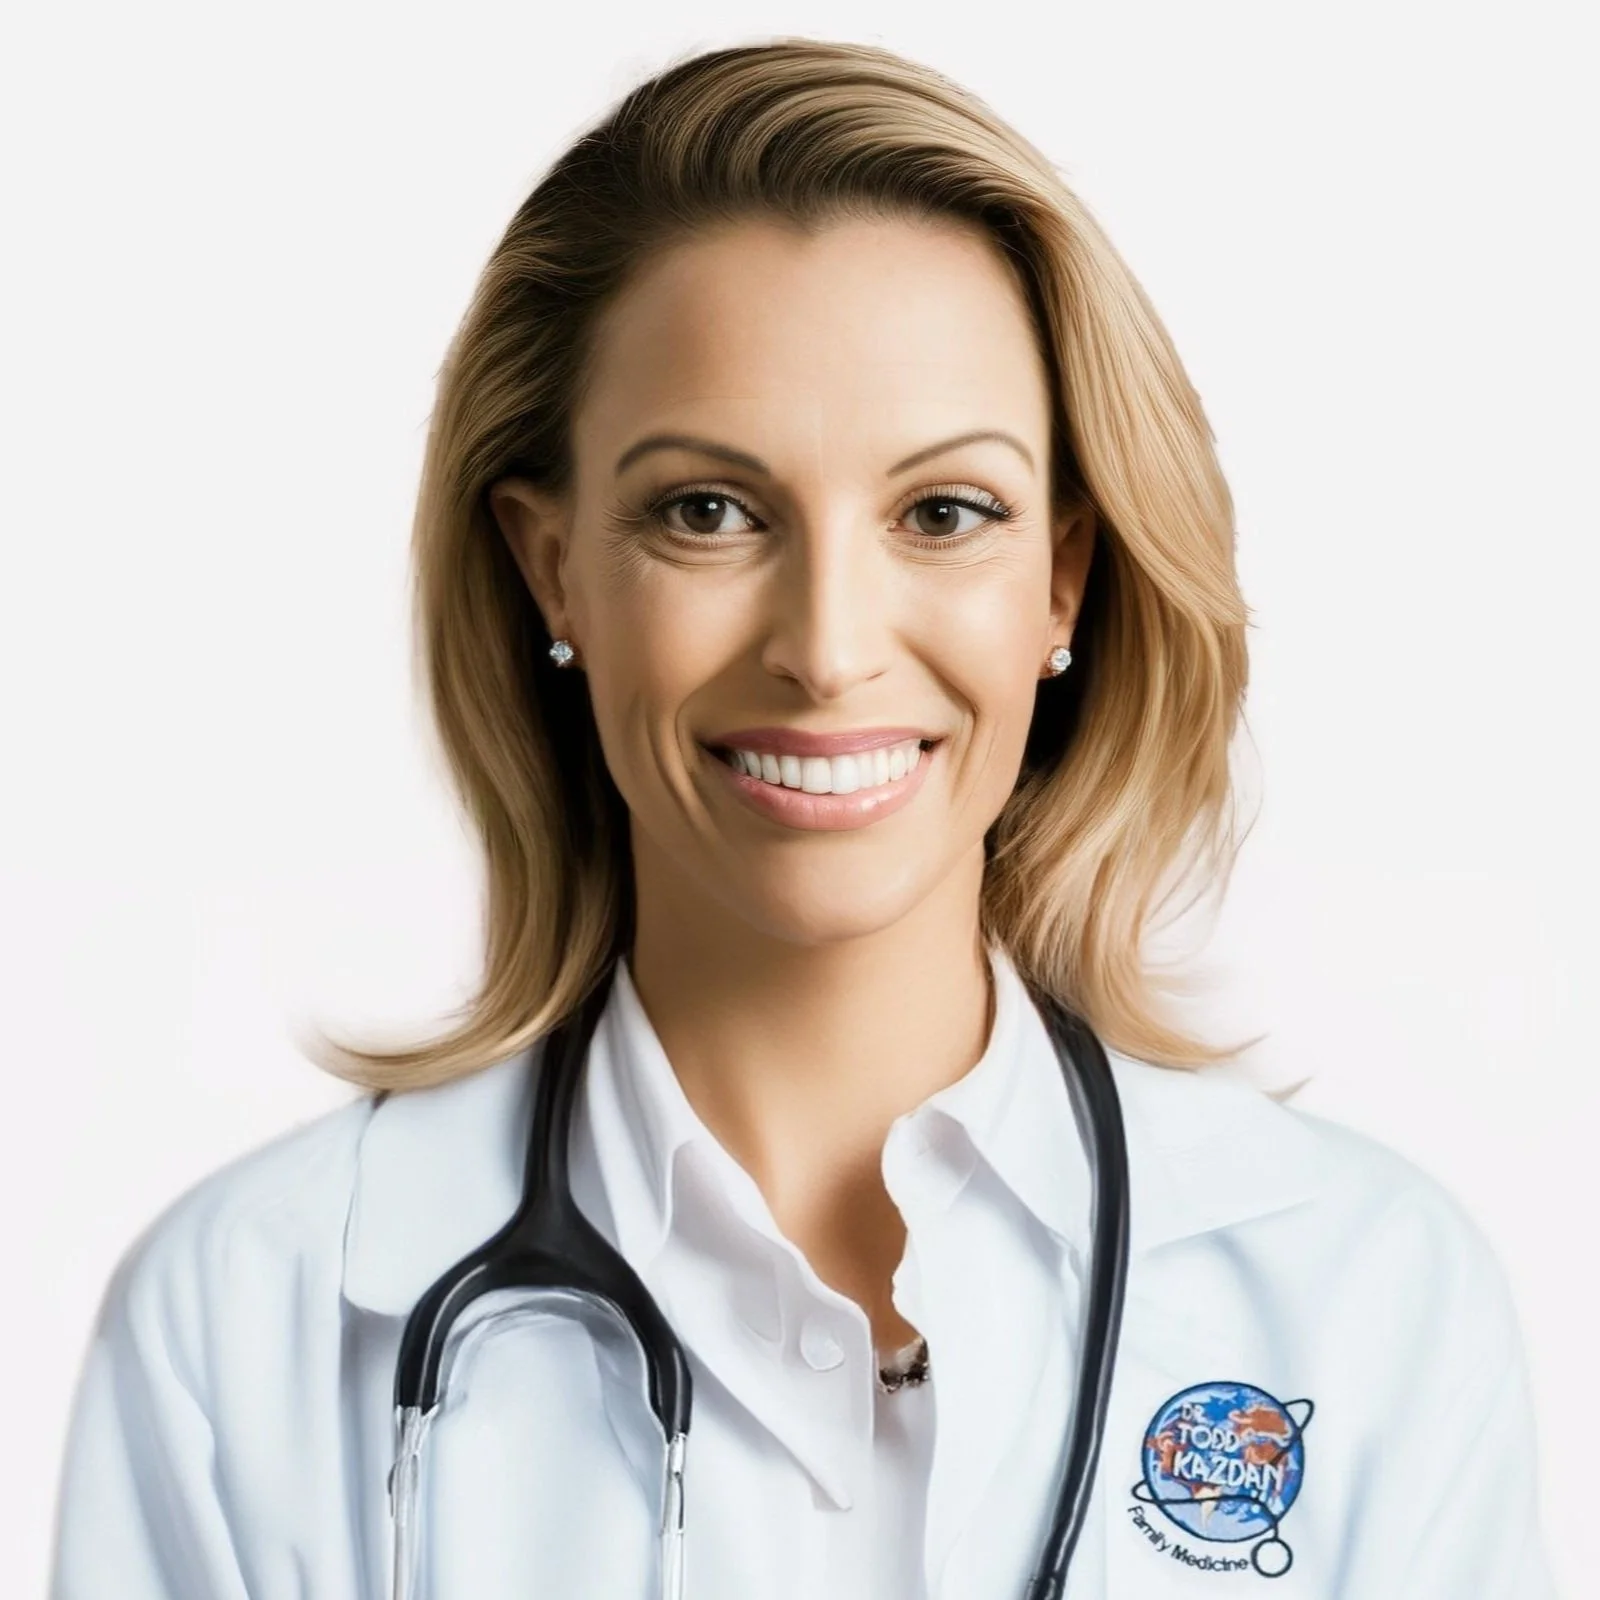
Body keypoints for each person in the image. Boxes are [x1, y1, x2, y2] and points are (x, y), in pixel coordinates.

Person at [50, 36, 1556, 1600]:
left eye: (943, 513)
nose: (828, 645)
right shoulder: (249, 1326)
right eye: (708, 511)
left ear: (1064, 579)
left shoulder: (1365, 1303)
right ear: (551, 565)